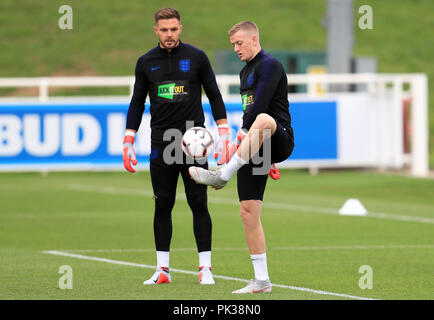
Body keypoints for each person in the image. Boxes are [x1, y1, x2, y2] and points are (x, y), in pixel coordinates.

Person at [123, 7, 230, 285]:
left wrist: (224, 132)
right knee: (163, 204)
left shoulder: (197, 57)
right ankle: (162, 270)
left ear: (180, 28)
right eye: (164, 30)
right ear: (156, 31)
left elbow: (214, 94)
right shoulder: (146, 62)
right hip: (162, 142)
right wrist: (128, 139)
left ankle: (205, 269)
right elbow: (137, 102)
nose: (169, 34)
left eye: (174, 29)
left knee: (198, 202)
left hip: (194, 143)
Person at [189, 21, 294, 293]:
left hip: (279, 137)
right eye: (233, 44)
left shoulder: (270, 65)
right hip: (258, 144)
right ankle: (262, 281)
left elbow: (259, 107)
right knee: (248, 212)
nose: (235, 49)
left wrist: (238, 141)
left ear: (254, 38)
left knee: (261, 117)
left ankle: (223, 175)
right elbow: (250, 115)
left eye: (239, 43)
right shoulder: (245, 71)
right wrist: (248, 145)